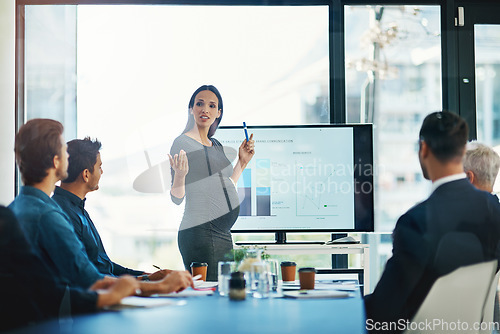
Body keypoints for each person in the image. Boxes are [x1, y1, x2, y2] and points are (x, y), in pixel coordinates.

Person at [9, 118, 193, 294]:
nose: (68, 156)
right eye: (64, 151)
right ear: (57, 162)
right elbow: (87, 278)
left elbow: (103, 266)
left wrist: (148, 276)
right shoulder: (52, 215)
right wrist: (157, 286)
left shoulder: (20, 208)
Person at [364, 111, 500, 333]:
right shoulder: (495, 210)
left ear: (424, 149)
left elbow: (383, 313)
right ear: (461, 152)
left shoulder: (415, 222)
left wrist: (343, 304)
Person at [0, 205, 139, 331]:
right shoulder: (48, 214)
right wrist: (108, 296)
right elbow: (42, 290)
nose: (101, 174)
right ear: (85, 175)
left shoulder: (16, 209)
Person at [169, 85, 255, 281]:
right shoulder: (182, 143)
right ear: (191, 109)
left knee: (222, 294)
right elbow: (176, 198)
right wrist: (180, 175)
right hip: (200, 233)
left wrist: (242, 162)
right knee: (211, 297)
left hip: (222, 234)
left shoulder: (216, 145)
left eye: (211, 105)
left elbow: (225, 185)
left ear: (218, 113)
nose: (204, 109)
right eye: (199, 104)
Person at [53, 137, 169, 281]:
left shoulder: (78, 209)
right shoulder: (62, 214)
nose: (102, 172)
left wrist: (147, 276)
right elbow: (84, 277)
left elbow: (105, 265)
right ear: (86, 174)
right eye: (99, 166)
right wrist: (143, 281)